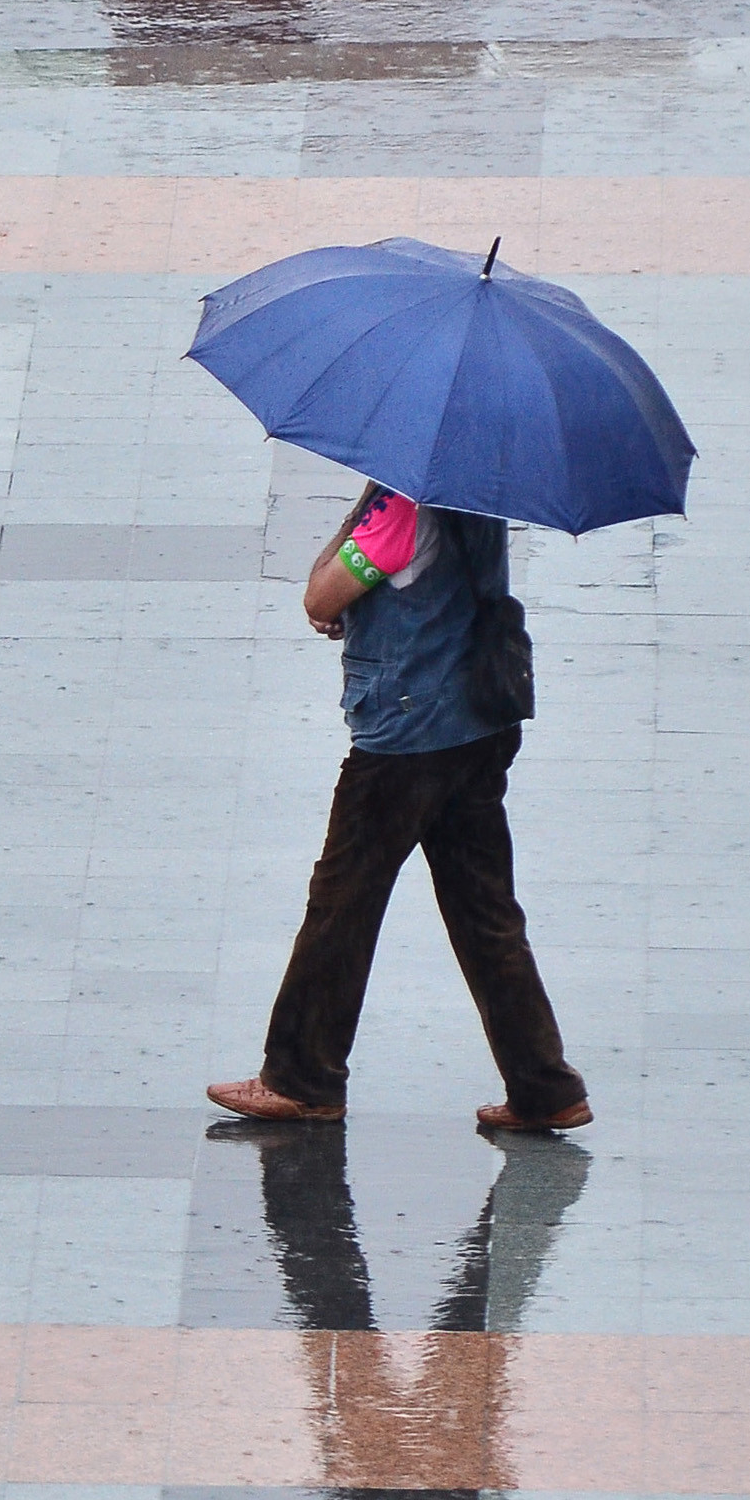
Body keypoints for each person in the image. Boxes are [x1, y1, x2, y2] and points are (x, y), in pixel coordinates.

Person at [207, 485, 588, 1132]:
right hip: (473, 724)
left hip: (405, 737)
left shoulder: (402, 503)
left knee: (341, 904)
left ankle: (301, 1077)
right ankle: (543, 1085)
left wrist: (356, 529)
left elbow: (321, 594)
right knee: (484, 912)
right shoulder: (481, 487)